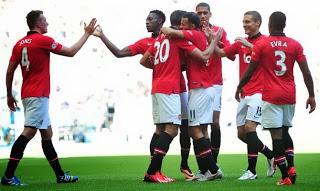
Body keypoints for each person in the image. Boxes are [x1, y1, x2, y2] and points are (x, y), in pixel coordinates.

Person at [93, 10, 194, 179]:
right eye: (146, 19)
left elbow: (185, 61)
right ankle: (155, 169)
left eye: (150, 19)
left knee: (184, 128)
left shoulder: (175, 36)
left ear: (161, 21)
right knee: (162, 130)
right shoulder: (146, 42)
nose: (146, 22)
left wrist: (173, 66)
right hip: (167, 89)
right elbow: (119, 53)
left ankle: (184, 165)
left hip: (180, 88)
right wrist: (102, 36)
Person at [1, 10, 97, 186]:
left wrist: (9, 94)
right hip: (39, 95)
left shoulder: (19, 44)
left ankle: (60, 175)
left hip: (28, 94)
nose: (47, 23)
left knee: (47, 133)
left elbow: (9, 72)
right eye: (44, 20)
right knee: (28, 132)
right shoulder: (43, 40)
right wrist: (87, 34)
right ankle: (7, 176)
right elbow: (71, 52)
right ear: (38, 23)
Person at [140, 10, 222, 183]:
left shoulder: (159, 38)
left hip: (158, 87)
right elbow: (204, 55)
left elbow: (143, 61)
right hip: (173, 88)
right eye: (182, 24)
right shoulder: (180, 38)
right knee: (174, 129)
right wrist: (214, 40)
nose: (184, 27)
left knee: (168, 129)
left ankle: (208, 169)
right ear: (179, 25)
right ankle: (152, 172)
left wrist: (163, 67)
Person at [236, 11, 316, 186]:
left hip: (271, 96)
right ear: (284, 25)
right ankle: (292, 166)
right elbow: (306, 72)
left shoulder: (262, 44)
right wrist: (311, 95)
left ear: (269, 25)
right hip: (289, 95)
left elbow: (250, 71)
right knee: (286, 131)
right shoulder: (295, 44)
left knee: (276, 136)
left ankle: (285, 176)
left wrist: (239, 86)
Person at [214, 11, 275, 180]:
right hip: (244, 92)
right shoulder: (241, 43)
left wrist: (247, 44)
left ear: (258, 23)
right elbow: (221, 53)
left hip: (260, 92)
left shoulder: (265, 41)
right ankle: (270, 155)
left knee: (250, 128)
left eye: (248, 22)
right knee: (242, 134)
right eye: (243, 22)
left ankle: (252, 171)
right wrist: (212, 39)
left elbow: (267, 55)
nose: (245, 24)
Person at [195, 2, 235, 165]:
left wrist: (214, 39)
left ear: (211, 14)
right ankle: (205, 165)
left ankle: (214, 162)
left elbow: (230, 53)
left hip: (215, 82)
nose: (202, 16)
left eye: (205, 13)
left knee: (215, 122)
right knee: (198, 125)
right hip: (197, 83)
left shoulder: (219, 31)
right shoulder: (192, 31)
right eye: (199, 13)